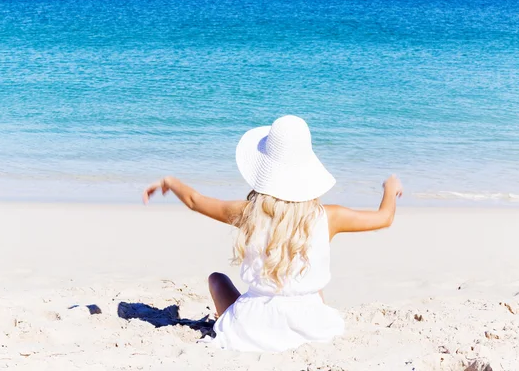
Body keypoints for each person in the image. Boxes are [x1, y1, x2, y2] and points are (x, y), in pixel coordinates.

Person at [143, 115, 403, 352]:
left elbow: (195, 201)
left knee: (217, 279)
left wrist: (170, 182)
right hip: (310, 324)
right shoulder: (329, 216)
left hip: (251, 327)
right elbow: (384, 218)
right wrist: (390, 188)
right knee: (311, 285)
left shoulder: (249, 213)